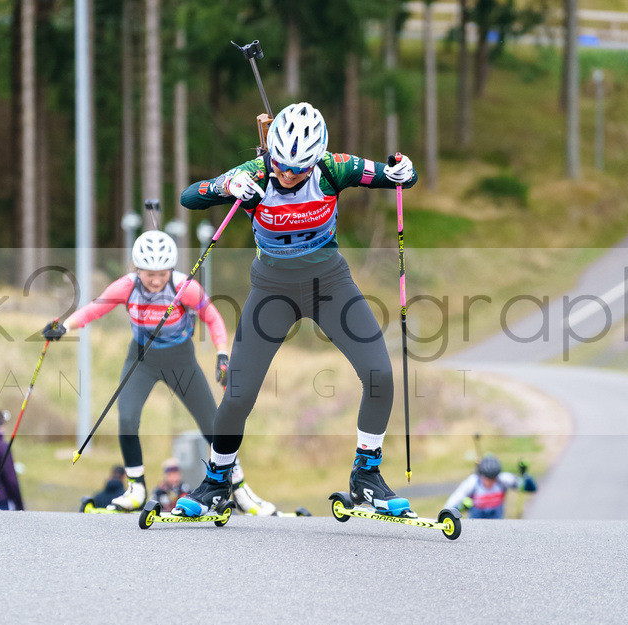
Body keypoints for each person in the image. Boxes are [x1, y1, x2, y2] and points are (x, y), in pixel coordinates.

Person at [175, 101, 418, 517]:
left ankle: (366, 476)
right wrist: (226, 188)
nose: (287, 175)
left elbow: (394, 176)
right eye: (281, 165)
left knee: (379, 373)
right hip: (271, 289)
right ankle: (217, 481)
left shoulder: (332, 167)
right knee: (237, 395)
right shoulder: (253, 174)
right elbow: (188, 197)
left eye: (298, 168)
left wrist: (403, 171)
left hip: (330, 284)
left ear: (316, 156)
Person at [41, 230, 276, 514]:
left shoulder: (184, 287)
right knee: (127, 417)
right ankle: (136, 488)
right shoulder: (126, 286)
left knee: (214, 425)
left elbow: (212, 317)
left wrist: (222, 354)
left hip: (181, 360)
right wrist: (65, 326)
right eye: (148, 273)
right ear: (136, 268)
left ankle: (238, 488)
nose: (154, 280)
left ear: (171, 270)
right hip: (141, 358)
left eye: (162, 274)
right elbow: (93, 309)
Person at [444, 455, 537, 520]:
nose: (490, 482)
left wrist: (525, 474)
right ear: (481, 475)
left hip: (498, 525)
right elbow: (450, 506)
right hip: (475, 525)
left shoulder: (503, 480)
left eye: (493, 478)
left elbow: (530, 488)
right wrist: (461, 507)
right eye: (487, 479)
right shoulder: (472, 483)